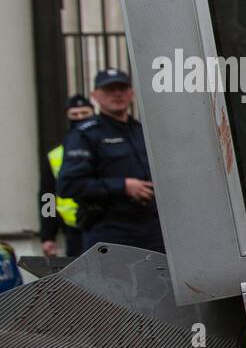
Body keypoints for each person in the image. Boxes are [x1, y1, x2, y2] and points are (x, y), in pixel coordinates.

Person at [58, 69, 166, 253]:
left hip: (153, 228)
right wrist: (122, 186)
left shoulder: (143, 132)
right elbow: (69, 185)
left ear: (131, 93)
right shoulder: (86, 134)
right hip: (110, 230)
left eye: (122, 88)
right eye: (109, 89)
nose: (117, 94)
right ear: (95, 95)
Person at [39, 94, 95, 258]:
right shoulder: (56, 155)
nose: (80, 118)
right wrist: (48, 235)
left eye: (84, 114)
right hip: (73, 231)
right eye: (75, 115)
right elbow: (47, 197)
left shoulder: (105, 146)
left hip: (104, 225)